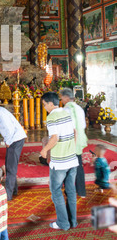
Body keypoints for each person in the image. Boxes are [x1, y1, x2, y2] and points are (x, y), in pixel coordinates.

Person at [40, 92, 79, 231]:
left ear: (51, 103)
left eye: (45, 105)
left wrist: (45, 150)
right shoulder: (68, 112)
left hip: (60, 162)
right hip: (72, 159)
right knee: (70, 190)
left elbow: (54, 138)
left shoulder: (52, 117)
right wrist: (72, 149)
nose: (45, 108)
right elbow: (75, 132)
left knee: (56, 190)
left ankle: (63, 223)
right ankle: (73, 221)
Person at [60, 87, 88, 198]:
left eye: (62, 98)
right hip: (79, 141)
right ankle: (81, 192)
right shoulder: (79, 109)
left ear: (66, 97)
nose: (61, 100)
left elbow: (67, 127)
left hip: (70, 141)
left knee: (67, 167)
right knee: (78, 166)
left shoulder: (66, 110)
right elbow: (83, 126)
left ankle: (69, 192)